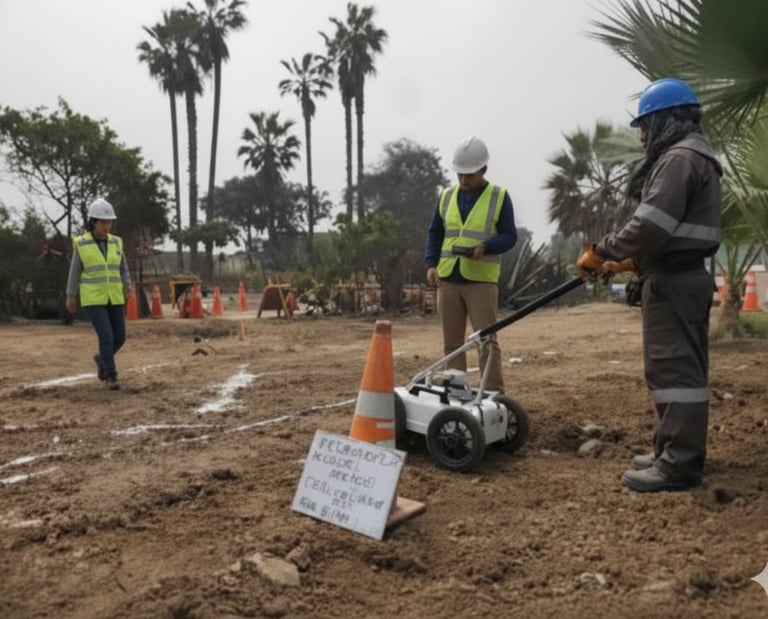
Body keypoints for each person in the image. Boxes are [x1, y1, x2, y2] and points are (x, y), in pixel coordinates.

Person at [577, 78, 722, 492]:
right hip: (679, 275)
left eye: (645, 126)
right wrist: (628, 262)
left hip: (674, 282)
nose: (642, 136)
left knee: (674, 372)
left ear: (666, 120)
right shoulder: (694, 156)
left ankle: (678, 465)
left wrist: (602, 251)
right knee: (675, 371)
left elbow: (651, 226)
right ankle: (669, 450)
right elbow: (669, 232)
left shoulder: (679, 159)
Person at [425, 136, 517, 393]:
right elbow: (434, 233)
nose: (464, 180)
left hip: (481, 281)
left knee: (486, 340)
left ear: (483, 170)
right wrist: (431, 263)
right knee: (452, 343)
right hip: (448, 279)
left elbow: (510, 236)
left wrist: (485, 247)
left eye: (469, 175)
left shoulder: (499, 197)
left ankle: (493, 393)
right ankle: (455, 392)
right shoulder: (446, 197)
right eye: (460, 175)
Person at [65, 198, 132, 391]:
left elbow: (123, 268)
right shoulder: (82, 244)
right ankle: (110, 375)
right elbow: (74, 271)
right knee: (106, 336)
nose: (107, 226)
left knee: (120, 336)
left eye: (109, 222)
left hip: (114, 296)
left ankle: (102, 359)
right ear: (93, 222)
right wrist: (71, 295)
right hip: (93, 299)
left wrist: (127, 285)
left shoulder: (116, 242)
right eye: (103, 222)